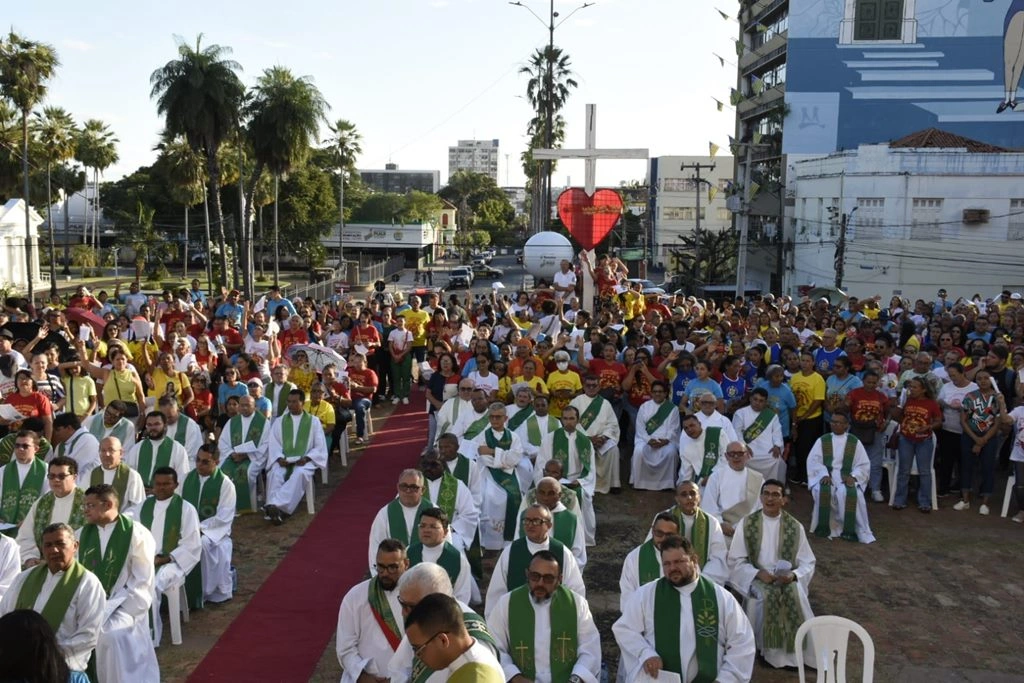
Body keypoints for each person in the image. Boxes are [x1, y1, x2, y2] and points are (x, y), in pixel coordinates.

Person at [613, 535, 755, 682]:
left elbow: (742, 643)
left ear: (694, 560)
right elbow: (625, 628)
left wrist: (725, 679)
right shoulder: (647, 594)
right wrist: (646, 653)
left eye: (678, 562)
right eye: (666, 564)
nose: (672, 568)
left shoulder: (720, 598)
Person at [727, 479, 815, 669]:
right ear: (760, 497)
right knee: (768, 596)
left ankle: (799, 653)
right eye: (766, 493)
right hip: (758, 576)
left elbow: (808, 561)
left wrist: (793, 575)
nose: (770, 498)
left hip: (785, 578)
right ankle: (769, 652)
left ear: (784, 500)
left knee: (796, 594)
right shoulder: (748, 523)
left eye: (776, 494)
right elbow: (736, 560)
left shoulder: (795, 527)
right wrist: (758, 573)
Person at [77, 484, 159, 683]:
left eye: (90, 505)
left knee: (110, 637)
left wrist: (112, 608)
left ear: (108, 504)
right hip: (86, 604)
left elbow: (142, 581)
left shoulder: (137, 534)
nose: (85, 510)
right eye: (84, 506)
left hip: (123, 605)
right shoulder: (80, 535)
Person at [0, 523, 106, 678]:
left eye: (60, 544)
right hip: (21, 667)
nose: (54, 550)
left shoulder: (88, 584)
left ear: (75, 546)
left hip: (62, 669)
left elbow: (88, 635)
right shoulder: (24, 578)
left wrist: (46, 654)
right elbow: (5, 614)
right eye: (48, 545)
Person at [486, 550, 601, 683]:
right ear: (527, 574)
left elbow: (590, 649)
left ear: (559, 579)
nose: (540, 583)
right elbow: (493, 646)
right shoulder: (506, 604)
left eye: (548, 578)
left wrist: (576, 678)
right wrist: (514, 676)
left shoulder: (576, 604)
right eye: (535, 576)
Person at [388, 563, 500, 683]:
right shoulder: (425, 623)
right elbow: (398, 669)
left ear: (436, 600)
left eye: (410, 606)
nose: (403, 613)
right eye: (401, 603)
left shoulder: (474, 643)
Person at [485, 504, 585, 619]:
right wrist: (493, 620)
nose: (530, 525)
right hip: (518, 617)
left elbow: (575, 589)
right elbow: (496, 591)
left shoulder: (562, 552)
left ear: (548, 525)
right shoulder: (511, 552)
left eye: (536, 521)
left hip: (553, 617)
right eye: (526, 520)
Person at [137, 467, 201, 645]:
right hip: (145, 559)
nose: (161, 488)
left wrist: (163, 559)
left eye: (167, 484)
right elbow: (133, 534)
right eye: (158, 484)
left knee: (150, 586)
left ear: (176, 485)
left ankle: (151, 637)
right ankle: (134, 632)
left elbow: (192, 544)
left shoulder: (186, 509)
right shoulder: (143, 506)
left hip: (172, 562)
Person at [336, 539, 409, 683]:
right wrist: (362, 676)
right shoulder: (355, 596)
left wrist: (399, 679)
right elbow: (345, 647)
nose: (385, 574)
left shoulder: (416, 596)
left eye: (392, 568)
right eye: (380, 567)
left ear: (406, 564)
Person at [180, 443, 236, 605]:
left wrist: (199, 529)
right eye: (198, 460)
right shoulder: (187, 479)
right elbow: (178, 505)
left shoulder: (225, 485)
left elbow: (223, 517)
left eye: (205, 462)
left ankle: (204, 591)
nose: (199, 464)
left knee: (202, 544)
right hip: (187, 529)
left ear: (216, 462)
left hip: (213, 533)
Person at [405, 593, 505, 682]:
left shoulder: (477, 677)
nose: (418, 657)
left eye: (418, 649)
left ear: (442, 640)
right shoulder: (471, 661)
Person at [807, 414, 875, 543]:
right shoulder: (823, 440)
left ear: (846, 425)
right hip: (827, 476)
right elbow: (813, 461)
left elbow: (863, 464)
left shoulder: (854, 442)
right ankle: (827, 527)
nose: (835, 424)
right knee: (823, 490)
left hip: (846, 477)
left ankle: (850, 528)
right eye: (833, 422)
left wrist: (853, 477)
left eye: (839, 422)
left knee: (848, 493)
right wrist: (823, 474)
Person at [263, 389, 328, 524]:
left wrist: (307, 458)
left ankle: (275, 506)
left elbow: (320, 446)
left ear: (302, 403)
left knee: (300, 474)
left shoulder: (313, 421)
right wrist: (279, 458)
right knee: (275, 473)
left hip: (304, 461)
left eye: (294, 402)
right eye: (289, 402)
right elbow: (273, 443)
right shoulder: (280, 421)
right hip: (284, 460)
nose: (290, 405)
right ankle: (277, 510)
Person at [536, 406, 596, 545]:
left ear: (577, 420)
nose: (568, 422)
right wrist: (551, 480)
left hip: (576, 481)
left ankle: (579, 537)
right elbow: (541, 463)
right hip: (552, 479)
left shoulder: (585, 441)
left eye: (572, 419)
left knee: (581, 495)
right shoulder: (550, 439)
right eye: (565, 418)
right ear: (561, 419)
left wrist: (580, 481)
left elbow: (590, 468)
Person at [470, 402, 527, 550]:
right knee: (486, 497)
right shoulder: (482, 435)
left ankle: (508, 541)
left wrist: (493, 451)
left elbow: (515, 458)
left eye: (498, 417)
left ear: (505, 418)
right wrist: (503, 457)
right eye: (492, 417)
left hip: (510, 475)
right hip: (488, 474)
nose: (494, 420)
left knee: (513, 497)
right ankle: (489, 541)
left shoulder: (514, 437)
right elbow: (483, 457)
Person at [955, 369, 1008, 515]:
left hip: (989, 437)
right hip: (969, 435)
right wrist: (975, 438)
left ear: (992, 381)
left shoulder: (998, 398)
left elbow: (998, 422)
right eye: (979, 378)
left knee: (988, 468)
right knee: (966, 465)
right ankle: (965, 500)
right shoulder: (970, 396)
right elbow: (963, 420)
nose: (983, 381)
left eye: (986, 378)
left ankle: (985, 502)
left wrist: (983, 440)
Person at [16, 457, 86, 566]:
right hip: (40, 566)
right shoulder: (42, 503)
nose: (56, 480)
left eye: (61, 476)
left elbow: (89, 541)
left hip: (72, 566)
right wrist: (30, 558)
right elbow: (25, 536)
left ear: (74, 477)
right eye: (51, 476)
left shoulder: (87, 503)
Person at [367, 469, 435, 573]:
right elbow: (376, 547)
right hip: (393, 574)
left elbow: (444, 543)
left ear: (423, 490)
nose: (408, 491)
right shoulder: (385, 513)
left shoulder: (434, 511)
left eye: (413, 487)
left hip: (427, 573)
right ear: (398, 487)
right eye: (404, 486)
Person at [892, 377, 943, 513]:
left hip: (924, 440)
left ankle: (925, 501)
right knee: (904, 470)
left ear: (923, 389)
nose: (911, 390)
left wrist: (929, 427)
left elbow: (939, 421)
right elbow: (896, 416)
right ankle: (899, 500)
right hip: (906, 438)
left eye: (915, 387)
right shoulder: (907, 400)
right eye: (910, 387)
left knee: (925, 471)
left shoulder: (931, 403)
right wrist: (900, 404)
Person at [405, 506, 473, 604]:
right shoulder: (408, 552)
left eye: (433, 526)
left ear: (445, 532)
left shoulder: (458, 560)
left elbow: (462, 597)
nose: (426, 530)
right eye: (423, 526)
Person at [517, 477, 587, 569]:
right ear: (536, 494)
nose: (545, 498)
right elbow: (517, 545)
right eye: (542, 493)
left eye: (551, 493)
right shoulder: (525, 515)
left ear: (559, 495)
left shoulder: (571, 520)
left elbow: (579, 555)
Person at [701, 445, 764, 546]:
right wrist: (720, 523)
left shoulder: (758, 479)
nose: (736, 457)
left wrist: (744, 525)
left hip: (748, 526)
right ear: (726, 456)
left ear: (747, 455)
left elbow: (760, 507)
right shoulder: (716, 477)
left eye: (740, 453)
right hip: (723, 527)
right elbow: (709, 505)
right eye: (732, 454)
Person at [217, 394, 270, 513]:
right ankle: (226, 506)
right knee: (221, 473)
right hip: (233, 456)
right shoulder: (232, 421)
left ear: (254, 407)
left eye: (248, 405)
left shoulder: (263, 423)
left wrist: (246, 455)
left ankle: (243, 507)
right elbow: (223, 442)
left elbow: (266, 445)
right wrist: (232, 453)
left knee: (245, 473)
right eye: (242, 405)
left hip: (254, 458)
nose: (244, 408)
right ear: (238, 407)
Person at [569, 374, 621, 494]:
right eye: (588, 385)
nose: (591, 388)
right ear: (583, 386)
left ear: (599, 387)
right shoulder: (576, 401)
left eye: (594, 385)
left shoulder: (605, 404)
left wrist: (603, 437)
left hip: (601, 440)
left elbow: (612, 424)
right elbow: (571, 422)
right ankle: (580, 480)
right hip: (581, 438)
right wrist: (587, 438)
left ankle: (613, 484)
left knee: (613, 449)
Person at [846, 370, 892, 502]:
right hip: (857, 429)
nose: (871, 385)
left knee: (875, 461)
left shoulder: (881, 396)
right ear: (863, 381)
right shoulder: (854, 393)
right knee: (854, 460)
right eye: (868, 382)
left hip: (875, 431)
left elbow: (889, 412)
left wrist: (886, 423)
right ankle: (853, 485)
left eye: (874, 382)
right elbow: (845, 410)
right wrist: (845, 404)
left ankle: (875, 489)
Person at [620, 512, 681, 612]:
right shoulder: (635, 558)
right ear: (652, 531)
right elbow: (628, 597)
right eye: (659, 533)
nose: (663, 539)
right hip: (646, 621)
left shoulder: (686, 559)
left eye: (669, 535)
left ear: (677, 535)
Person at [419, 451, 478, 553]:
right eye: (425, 464)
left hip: (448, 532)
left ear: (444, 466)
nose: (428, 468)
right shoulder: (414, 486)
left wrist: (451, 529)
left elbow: (469, 514)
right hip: (420, 532)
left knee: (455, 549)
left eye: (434, 465)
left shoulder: (457, 486)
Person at [632, 381, 680, 491]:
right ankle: (640, 483)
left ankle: (667, 484)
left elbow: (674, 428)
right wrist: (648, 440)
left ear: (665, 393)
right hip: (646, 439)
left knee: (670, 452)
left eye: (660, 392)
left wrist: (665, 440)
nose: (657, 394)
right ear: (651, 393)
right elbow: (640, 428)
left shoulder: (672, 408)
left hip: (666, 440)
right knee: (639, 451)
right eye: (655, 392)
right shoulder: (644, 407)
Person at [124, 411, 191, 490]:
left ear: (165, 425)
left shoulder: (178, 449)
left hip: (165, 495)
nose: (153, 428)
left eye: (157, 424)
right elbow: (129, 473)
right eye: (149, 425)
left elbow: (182, 478)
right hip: (140, 495)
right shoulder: (137, 447)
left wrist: (157, 491)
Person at [0, 430, 50, 535]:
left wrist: (32, 519)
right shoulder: (4, 470)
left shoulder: (46, 470)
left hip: (33, 528)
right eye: (17, 446)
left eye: (25, 446)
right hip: (5, 528)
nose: (20, 449)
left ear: (36, 449)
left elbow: (47, 498)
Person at [732, 387, 785, 482]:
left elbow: (777, 432)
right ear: (750, 399)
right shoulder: (740, 413)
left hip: (766, 451)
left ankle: (771, 487)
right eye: (755, 399)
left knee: (775, 460)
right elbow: (736, 432)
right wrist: (743, 446)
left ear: (765, 403)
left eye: (761, 401)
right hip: (748, 449)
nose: (757, 403)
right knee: (743, 458)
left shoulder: (771, 416)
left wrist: (777, 445)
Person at [789, 350, 826, 486]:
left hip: (812, 419)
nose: (804, 363)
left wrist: (805, 416)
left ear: (813, 363)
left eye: (807, 361)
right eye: (802, 360)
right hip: (796, 417)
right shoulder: (795, 377)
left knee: (808, 448)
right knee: (797, 447)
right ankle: (798, 474)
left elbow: (818, 401)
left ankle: (807, 476)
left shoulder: (818, 379)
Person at [87, 437, 145, 515]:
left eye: (111, 450)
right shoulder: (91, 474)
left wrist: (118, 519)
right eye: (103, 451)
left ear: (121, 453)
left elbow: (138, 506)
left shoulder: (132, 476)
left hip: (121, 523)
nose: (106, 454)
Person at [678, 413, 727, 487]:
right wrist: (685, 485)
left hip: (722, 476)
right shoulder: (686, 446)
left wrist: (712, 476)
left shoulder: (717, 433)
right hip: (702, 483)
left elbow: (727, 457)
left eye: (692, 425)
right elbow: (686, 471)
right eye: (686, 428)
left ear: (699, 424)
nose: (689, 430)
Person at [50, 413, 100, 481]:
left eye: (58, 430)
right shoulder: (60, 446)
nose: (56, 433)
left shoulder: (88, 440)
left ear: (69, 428)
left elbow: (72, 467)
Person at [159, 395, 203, 469]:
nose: (166, 420)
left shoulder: (190, 426)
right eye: (164, 417)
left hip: (185, 464)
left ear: (178, 410)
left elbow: (191, 454)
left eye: (170, 417)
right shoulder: (159, 424)